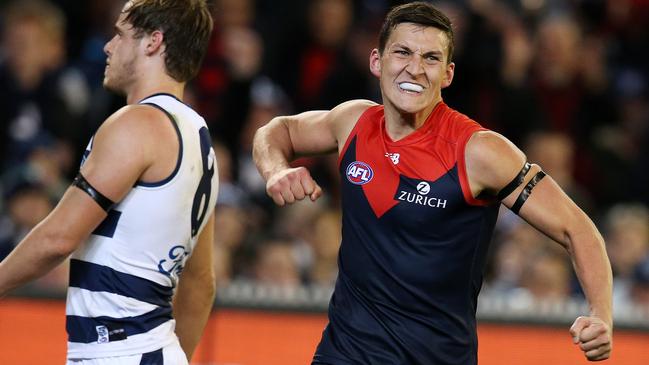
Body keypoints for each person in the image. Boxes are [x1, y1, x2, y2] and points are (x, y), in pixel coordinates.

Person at [253, 2, 612, 364]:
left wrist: (601, 315)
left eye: (430, 58)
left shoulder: (479, 151)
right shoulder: (353, 122)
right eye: (403, 52)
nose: (415, 68)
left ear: (448, 74)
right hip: (344, 354)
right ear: (377, 61)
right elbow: (277, 130)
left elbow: (577, 228)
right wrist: (276, 170)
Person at [0, 0, 218, 364]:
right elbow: (200, 283)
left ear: (153, 42)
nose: (108, 45)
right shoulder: (200, 138)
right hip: (152, 350)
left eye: (120, 34)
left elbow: (58, 238)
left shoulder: (135, 124)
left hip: (117, 350)